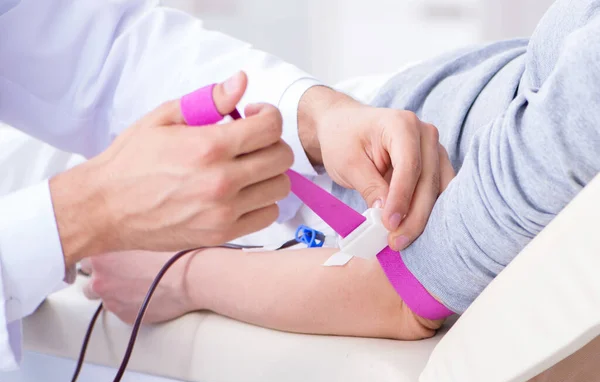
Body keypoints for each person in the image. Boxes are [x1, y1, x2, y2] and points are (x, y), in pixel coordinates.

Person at [84, 0, 600, 340]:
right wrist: (324, 117)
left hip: (305, 210)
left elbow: (409, 296)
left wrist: (177, 276)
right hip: (347, 129)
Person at [0, 1, 449, 369]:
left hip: (359, 127)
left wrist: (318, 117)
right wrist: (82, 217)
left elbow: (100, 55)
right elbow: (410, 295)